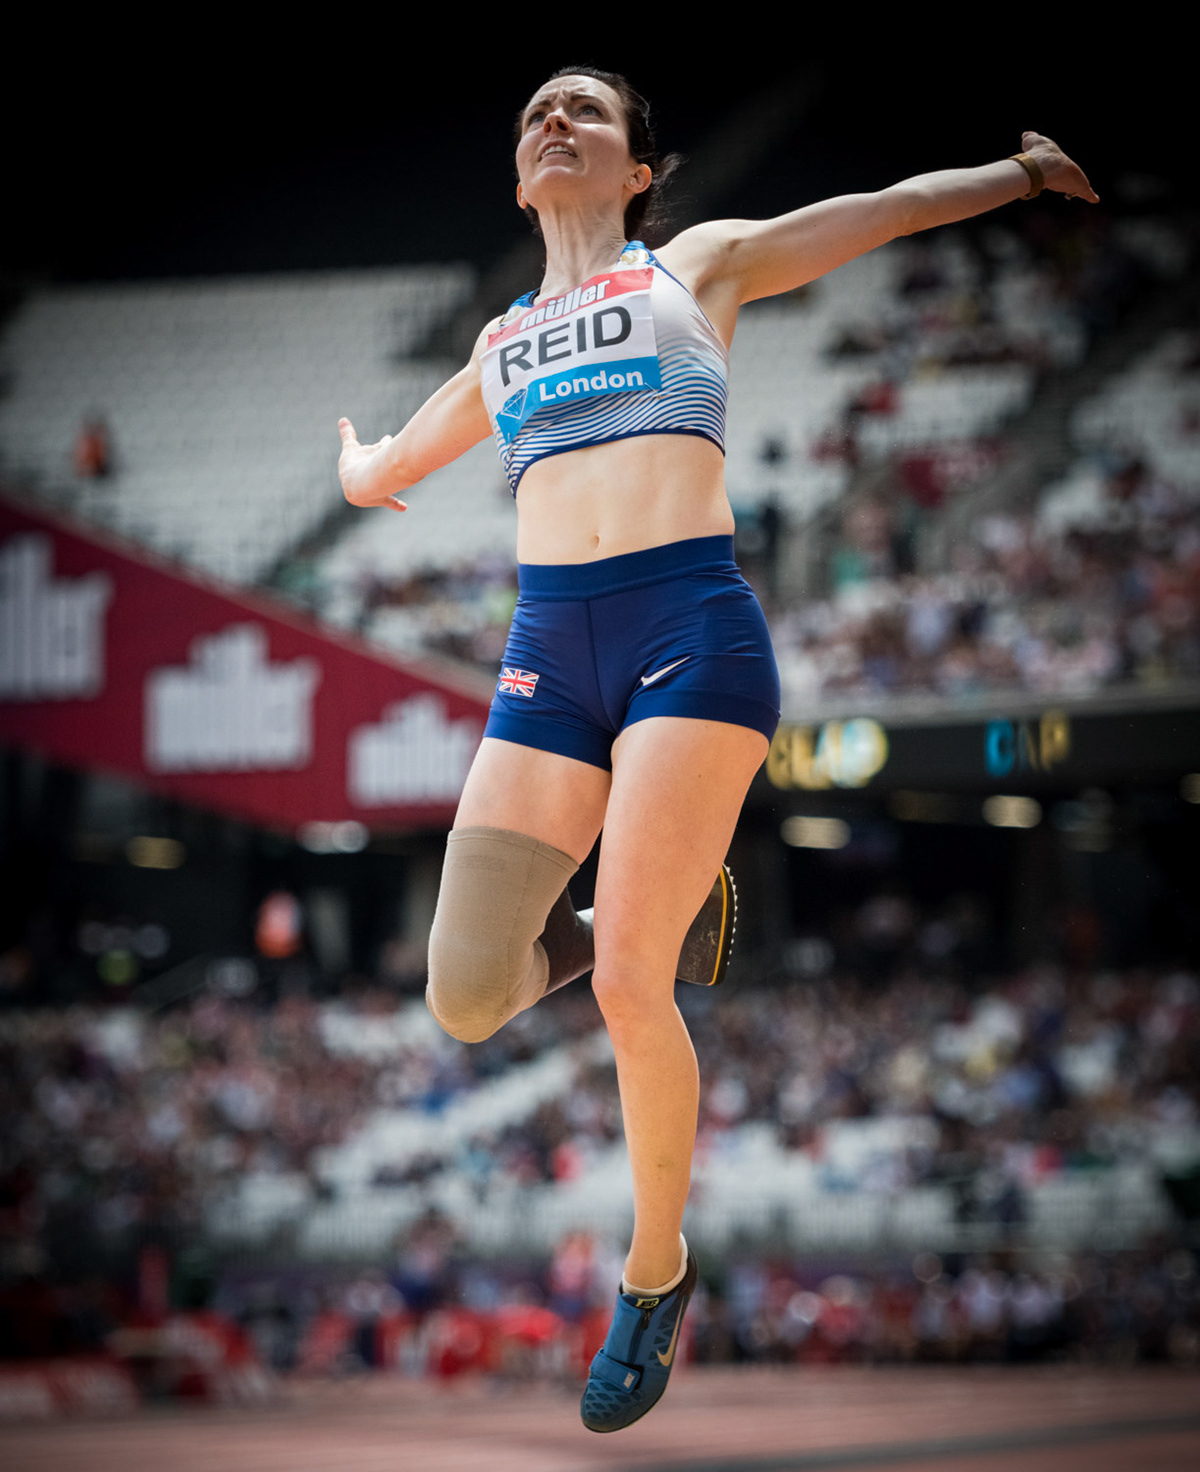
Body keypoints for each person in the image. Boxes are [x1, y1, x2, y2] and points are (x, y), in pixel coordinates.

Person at [337, 67, 1096, 1431]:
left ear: (638, 168)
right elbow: (399, 459)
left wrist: (1017, 177)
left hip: (691, 629)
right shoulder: (502, 343)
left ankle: (651, 1277)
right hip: (548, 651)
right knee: (462, 995)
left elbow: (876, 213)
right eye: (535, 116)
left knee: (632, 987)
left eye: (588, 111)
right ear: (521, 181)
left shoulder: (693, 268)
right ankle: (655, 915)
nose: (556, 122)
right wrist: (356, 465)